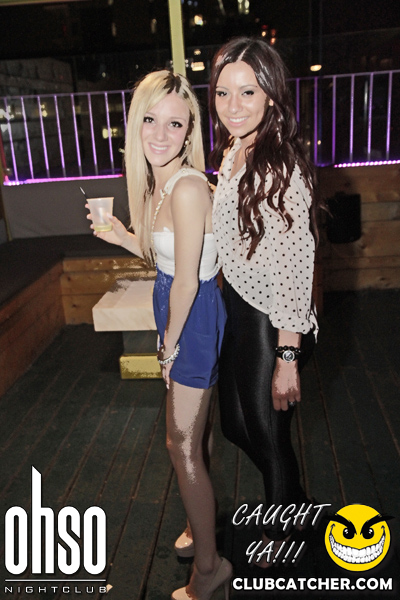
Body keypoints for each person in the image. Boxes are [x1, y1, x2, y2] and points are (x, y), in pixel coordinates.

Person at [86, 70, 231, 598]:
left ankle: (210, 570)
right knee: (195, 433)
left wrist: (168, 347)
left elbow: (189, 280)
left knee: (180, 443)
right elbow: (164, 257)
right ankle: (198, 526)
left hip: (192, 318)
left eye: (175, 123)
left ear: (189, 131)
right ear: (136, 124)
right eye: (150, 119)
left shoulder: (188, 187)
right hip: (180, 309)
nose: (161, 134)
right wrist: (124, 236)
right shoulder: (160, 182)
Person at [209, 37, 320, 565]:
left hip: (273, 320)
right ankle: (293, 499)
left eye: (247, 92)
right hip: (240, 308)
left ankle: (285, 530)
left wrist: (287, 356)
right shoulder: (234, 151)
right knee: (235, 425)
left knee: (270, 437)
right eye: (223, 92)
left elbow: (297, 267)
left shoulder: (280, 167)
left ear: (271, 94)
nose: (233, 105)